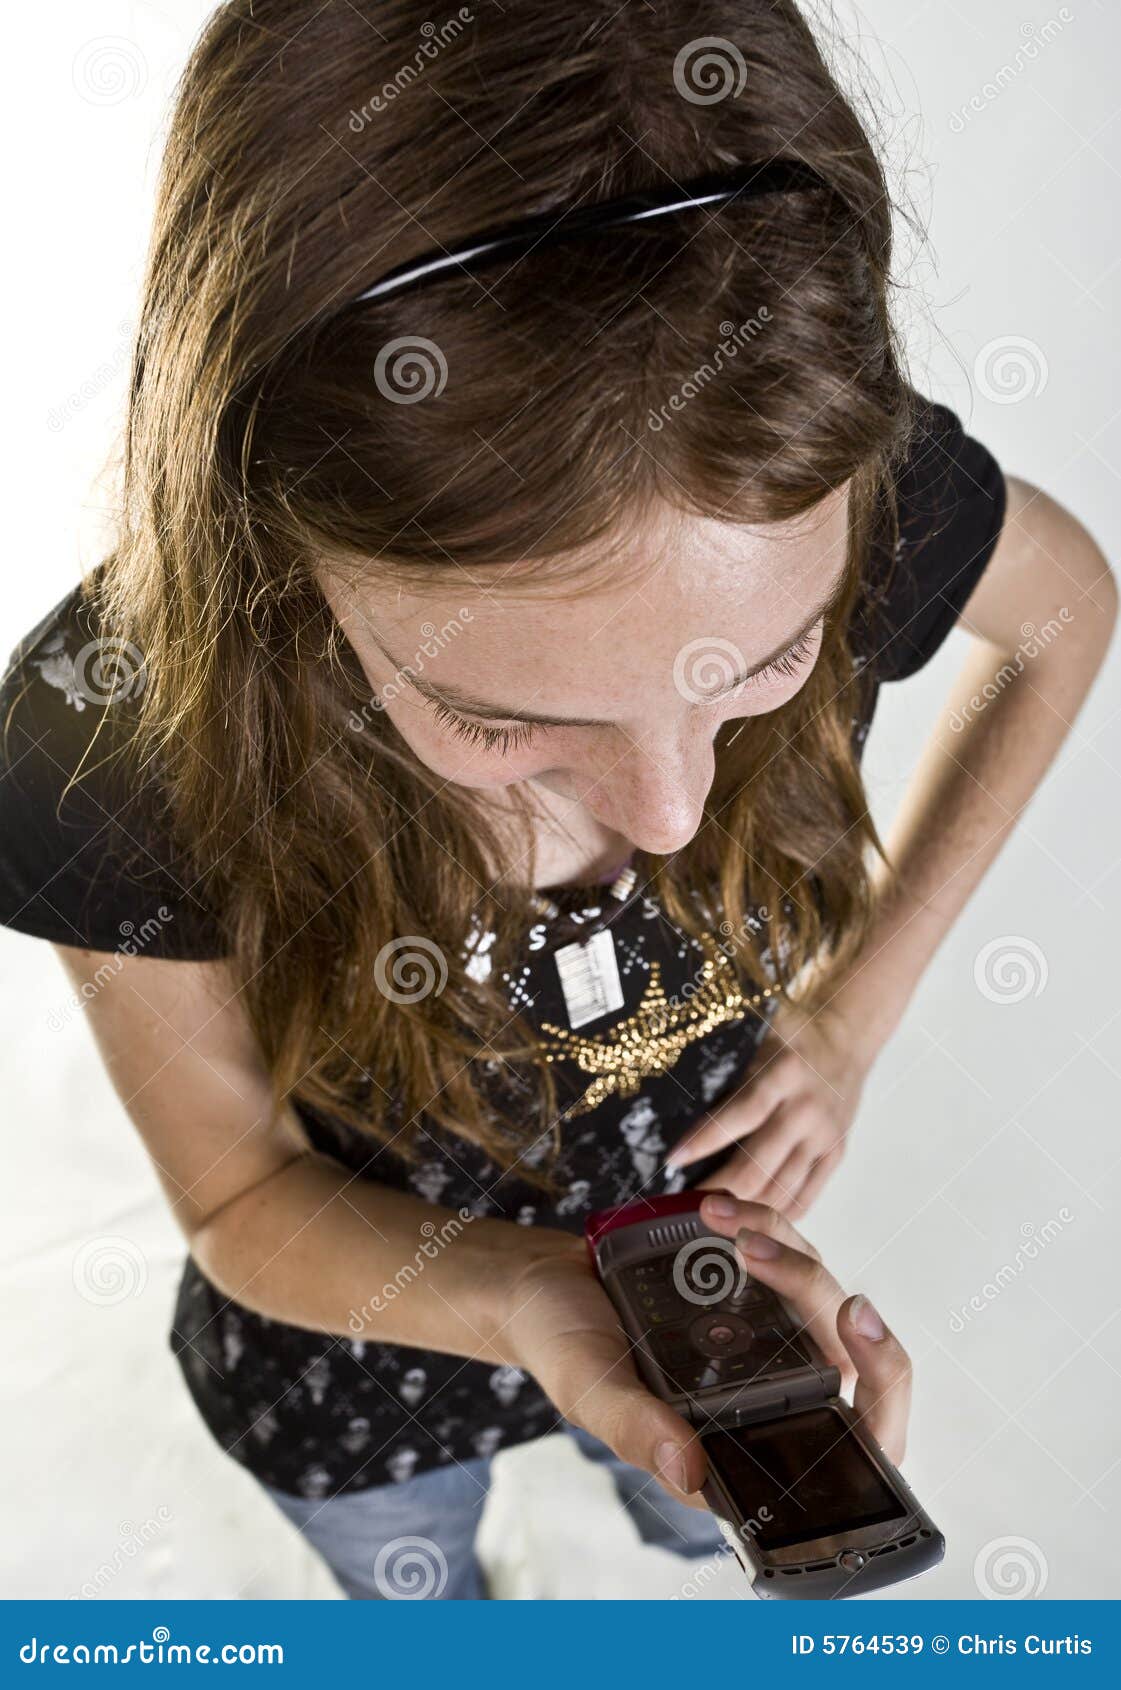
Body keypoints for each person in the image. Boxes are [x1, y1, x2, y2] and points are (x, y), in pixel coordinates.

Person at [0, 0, 1114, 1600]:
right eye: (500, 712)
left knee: (690, 1511)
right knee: (411, 1590)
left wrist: (855, 1011)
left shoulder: (829, 480)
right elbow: (243, 1194)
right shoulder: (102, 737)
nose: (666, 815)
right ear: (270, 539)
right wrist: (527, 1296)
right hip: (355, 1374)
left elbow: (1062, 615)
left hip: (698, 1297)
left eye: (767, 665)